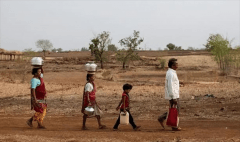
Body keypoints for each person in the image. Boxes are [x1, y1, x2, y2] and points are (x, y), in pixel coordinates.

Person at [158, 58, 181, 131]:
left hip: (174, 94)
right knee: (175, 110)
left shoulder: (172, 72)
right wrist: (173, 97)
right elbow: (170, 85)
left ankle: (162, 118)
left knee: (173, 109)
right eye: (176, 64)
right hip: (173, 95)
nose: (177, 66)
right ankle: (174, 126)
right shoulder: (171, 73)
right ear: (172, 65)